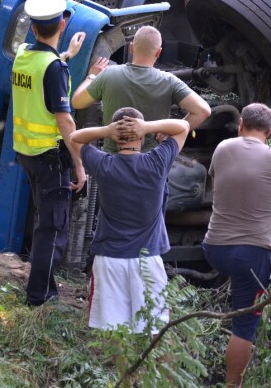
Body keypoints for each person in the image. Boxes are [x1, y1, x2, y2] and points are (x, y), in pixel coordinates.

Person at [70, 107, 190, 333]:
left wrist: (106, 130)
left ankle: (122, 369)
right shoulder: (157, 162)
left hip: (109, 259)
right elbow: (183, 126)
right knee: (155, 329)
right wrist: (148, 126)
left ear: (114, 139)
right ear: (142, 136)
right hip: (147, 259)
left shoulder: (103, 164)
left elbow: (75, 138)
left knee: (115, 330)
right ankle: (148, 368)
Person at [202, 103, 271, 387]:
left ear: (241, 123)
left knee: (238, 283)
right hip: (252, 254)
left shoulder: (223, 148)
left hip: (213, 247)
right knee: (245, 326)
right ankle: (233, 384)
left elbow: (217, 189)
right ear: (269, 131)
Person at [12, 0, 87, 306]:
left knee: (45, 221)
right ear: (64, 23)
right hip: (49, 157)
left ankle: (47, 289)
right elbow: (65, 122)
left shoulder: (23, 55)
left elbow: (45, 72)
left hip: (26, 152)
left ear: (31, 29)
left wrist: (66, 55)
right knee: (53, 229)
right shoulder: (53, 68)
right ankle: (38, 298)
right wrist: (80, 165)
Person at [71, 25, 210, 154]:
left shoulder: (108, 74)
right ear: (158, 52)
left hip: (112, 163)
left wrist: (92, 75)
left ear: (131, 47)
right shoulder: (169, 81)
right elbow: (203, 111)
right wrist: (169, 132)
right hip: (152, 163)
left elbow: (77, 102)